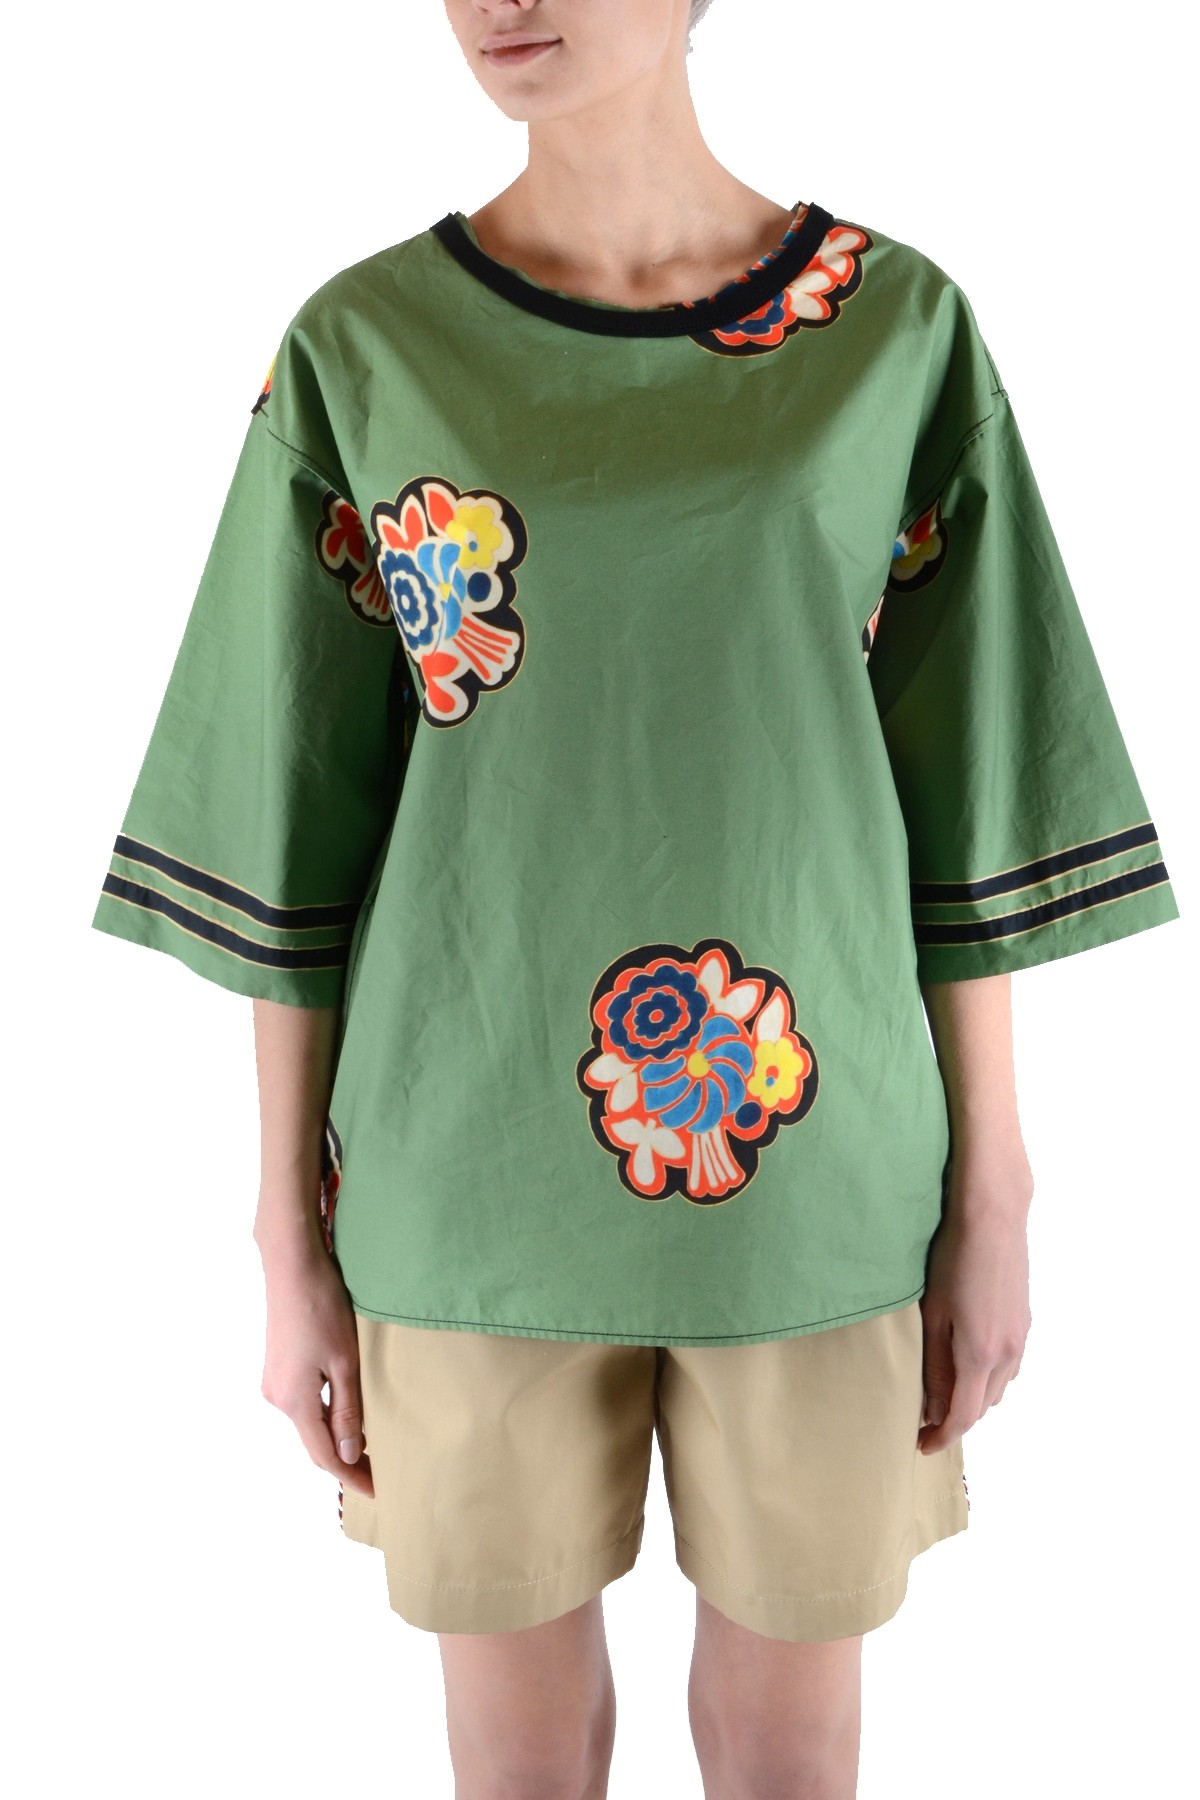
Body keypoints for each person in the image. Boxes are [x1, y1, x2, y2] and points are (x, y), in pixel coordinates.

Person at [90, 2, 1181, 1794]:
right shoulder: (364, 348)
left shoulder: (895, 332)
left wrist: (1000, 1188)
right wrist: (283, 1238)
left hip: (816, 1176)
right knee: (517, 1766)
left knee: (789, 1756)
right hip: (461, 1175)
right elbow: (294, 839)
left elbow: (973, 801)